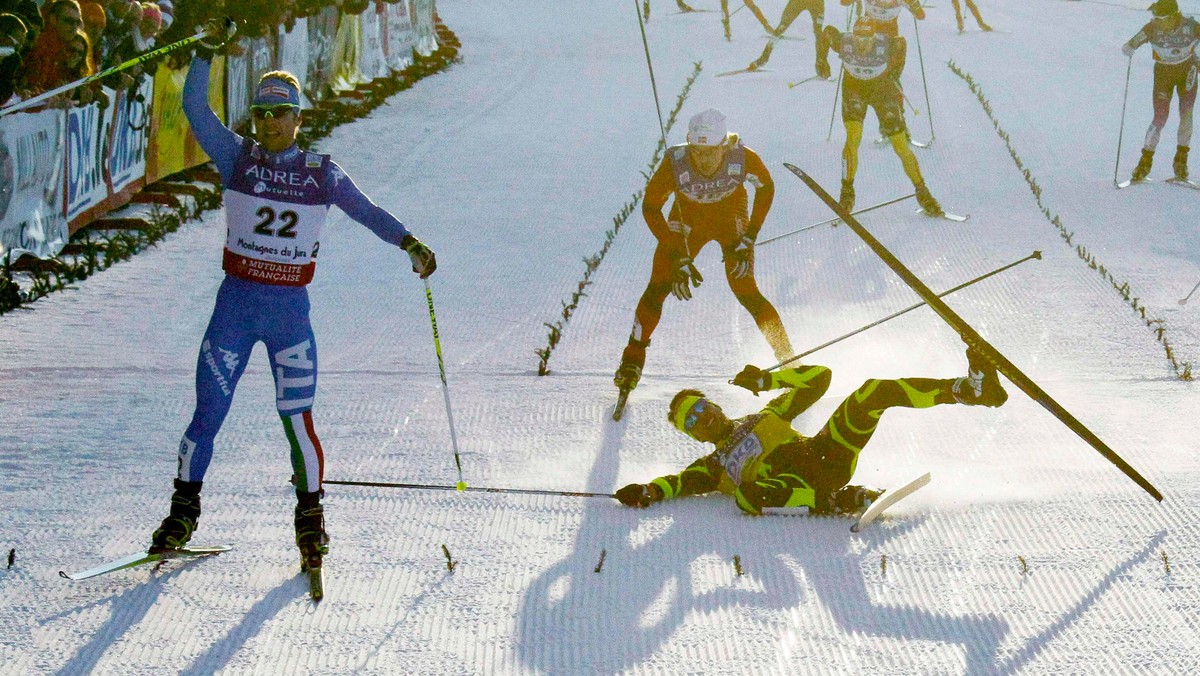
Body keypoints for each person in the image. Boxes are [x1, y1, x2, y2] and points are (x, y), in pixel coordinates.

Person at [147, 23, 437, 576]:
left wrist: (410, 243)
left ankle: (310, 517)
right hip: (233, 311)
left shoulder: (319, 173)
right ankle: (183, 511)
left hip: (289, 319)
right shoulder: (237, 157)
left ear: (299, 118)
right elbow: (194, 106)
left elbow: (370, 212)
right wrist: (206, 51)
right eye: (259, 113)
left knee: (298, 420)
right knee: (208, 413)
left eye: (279, 114)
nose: (268, 123)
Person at [614, 343, 1008, 515]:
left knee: (871, 392)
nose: (704, 418)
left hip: (827, 456)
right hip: (797, 486)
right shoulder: (714, 464)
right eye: (692, 422)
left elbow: (821, 378)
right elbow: (678, 483)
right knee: (748, 498)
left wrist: (769, 381)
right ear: (693, 435)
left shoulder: (765, 415)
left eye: (701, 408)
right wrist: (647, 491)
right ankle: (835, 502)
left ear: (714, 404)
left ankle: (968, 390)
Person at [614, 108, 794, 397]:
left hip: (729, 216)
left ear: (725, 145)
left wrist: (749, 237)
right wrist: (676, 254)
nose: (703, 159)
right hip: (689, 219)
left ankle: (789, 360)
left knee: (745, 289)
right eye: (696, 151)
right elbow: (650, 207)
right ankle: (632, 359)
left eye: (710, 152)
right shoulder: (676, 162)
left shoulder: (744, 157)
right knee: (659, 284)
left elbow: (766, 188)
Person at [822, 20, 944, 216]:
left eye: (867, 40)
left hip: (882, 90)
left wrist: (896, 72)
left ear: (874, 37)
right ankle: (847, 192)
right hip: (854, 90)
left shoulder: (885, 43)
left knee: (900, 144)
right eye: (858, 39)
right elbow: (827, 31)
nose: (861, 44)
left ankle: (923, 192)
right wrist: (822, 61)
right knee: (853, 137)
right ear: (852, 36)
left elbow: (901, 43)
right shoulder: (844, 42)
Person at [1122, 0, 1200, 182]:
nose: (1156, 20)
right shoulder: (1152, 28)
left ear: (1174, 16)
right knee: (1160, 117)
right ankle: (1144, 163)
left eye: (1161, 17)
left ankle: (1181, 162)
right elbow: (1130, 44)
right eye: (1155, 17)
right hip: (1163, 74)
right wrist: (1129, 48)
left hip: (1188, 71)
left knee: (1186, 115)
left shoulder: (1191, 26)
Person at [744, 0, 830, 80]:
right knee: (781, 27)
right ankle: (763, 58)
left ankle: (821, 63)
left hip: (816, 3)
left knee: (818, 32)